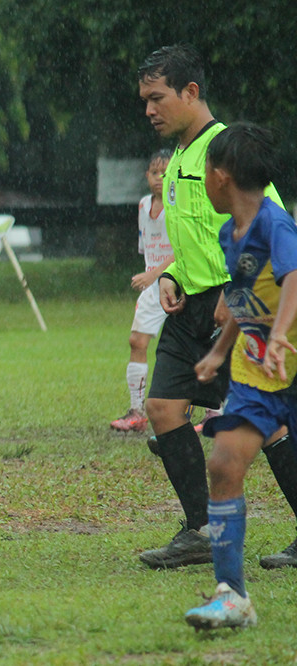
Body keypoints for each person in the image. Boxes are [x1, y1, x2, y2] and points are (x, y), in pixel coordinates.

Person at [136, 44, 297, 570]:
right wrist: (173, 276)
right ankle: (201, 529)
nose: (149, 110)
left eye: (157, 98)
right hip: (192, 309)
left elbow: (271, 227)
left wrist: (237, 291)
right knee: (161, 408)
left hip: (238, 304)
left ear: (191, 92)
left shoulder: (226, 151)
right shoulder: (179, 156)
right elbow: (197, 242)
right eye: (145, 100)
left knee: (268, 423)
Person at [185, 123, 297, 629]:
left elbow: (294, 276)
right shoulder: (230, 233)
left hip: (286, 357)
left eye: (204, 172)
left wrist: (280, 333)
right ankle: (232, 596)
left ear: (221, 175)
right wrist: (221, 351)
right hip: (259, 370)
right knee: (225, 463)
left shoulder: (276, 225)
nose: (202, 181)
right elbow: (243, 297)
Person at [111, 149, 175, 432]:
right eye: (154, 173)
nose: (159, 178)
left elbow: (185, 250)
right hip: (152, 288)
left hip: (179, 285)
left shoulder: (179, 206)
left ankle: (214, 411)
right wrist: (151, 275)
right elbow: (146, 248)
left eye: (165, 172)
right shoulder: (143, 206)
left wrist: (154, 274)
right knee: (137, 342)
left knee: (196, 347)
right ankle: (136, 411)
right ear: (146, 176)